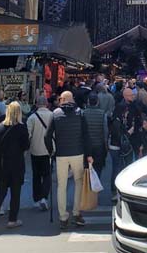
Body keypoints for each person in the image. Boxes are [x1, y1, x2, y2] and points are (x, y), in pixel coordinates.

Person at [45, 91, 93, 231]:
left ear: (64, 99)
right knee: (78, 183)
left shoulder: (55, 114)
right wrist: (88, 154)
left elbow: (47, 136)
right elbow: (86, 135)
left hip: (61, 154)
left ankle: (63, 217)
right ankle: (76, 213)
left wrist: (51, 151)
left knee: (62, 185)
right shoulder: (80, 113)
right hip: (77, 152)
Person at [0, 102, 30, 235]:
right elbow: (26, 145)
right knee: (15, 193)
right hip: (17, 163)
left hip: (2, 164)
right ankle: (12, 219)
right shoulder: (22, 128)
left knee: (1, 192)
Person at [27, 95, 53, 211]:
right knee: (47, 174)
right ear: (46, 104)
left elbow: (28, 135)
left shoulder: (32, 117)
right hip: (48, 150)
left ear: (37, 104)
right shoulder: (53, 115)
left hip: (35, 149)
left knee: (36, 175)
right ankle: (44, 197)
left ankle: (36, 198)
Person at [83, 93, 108, 177]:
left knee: (86, 168)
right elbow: (105, 131)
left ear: (88, 102)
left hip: (86, 146)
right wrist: (106, 146)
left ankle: (88, 187)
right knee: (98, 168)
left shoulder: (83, 113)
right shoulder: (102, 114)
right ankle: (95, 187)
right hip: (99, 145)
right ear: (97, 102)